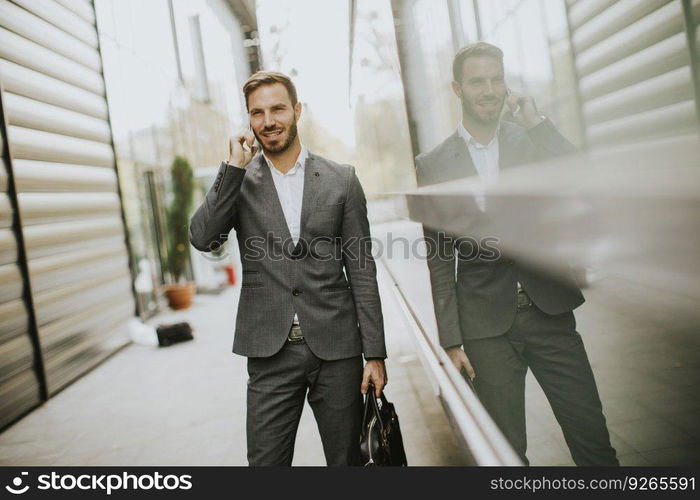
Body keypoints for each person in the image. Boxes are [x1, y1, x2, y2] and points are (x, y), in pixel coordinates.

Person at [415, 42, 617, 466]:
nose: (489, 90)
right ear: (457, 89)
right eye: (477, 81)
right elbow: (438, 257)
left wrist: (539, 123)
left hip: (550, 312)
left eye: (496, 79)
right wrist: (450, 340)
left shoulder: (531, 139)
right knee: (504, 456)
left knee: (592, 440)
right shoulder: (433, 164)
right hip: (486, 331)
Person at [189, 71, 387, 466]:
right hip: (269, 352)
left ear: (296, 111)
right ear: (249, 121)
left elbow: (362, 271)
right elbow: (203, 237)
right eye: (257, 113)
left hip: (337, 350)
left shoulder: (341, 180)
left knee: (350, 463)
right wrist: (231, 168)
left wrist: (375, 354)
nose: (268, 121)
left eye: (278, 108)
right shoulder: (239, 180)